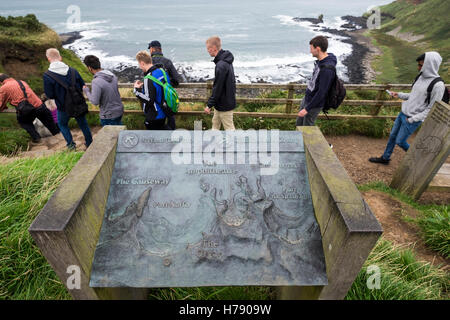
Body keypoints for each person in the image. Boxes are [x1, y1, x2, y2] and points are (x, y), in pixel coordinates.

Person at [369, 51, 445, 165]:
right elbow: (413, 96)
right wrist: (398, 94)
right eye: (418, 65)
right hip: (403, 113)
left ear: (430, 65)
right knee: (392, 136)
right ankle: (385, 158)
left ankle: (418, 160)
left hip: (412, 118)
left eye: (421, 65)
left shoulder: (438, 86)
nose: (418, 68)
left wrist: (412, 119)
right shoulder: (420, 77)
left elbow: (431, 108)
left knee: (400, 141)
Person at [43, 48, 93, 150]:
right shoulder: (73, 71)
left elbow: (50, 95)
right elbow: (82, 86)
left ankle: (71, 146)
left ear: (48, 59)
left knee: (62, 124)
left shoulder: (47, 76)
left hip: (62, 107)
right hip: (78, 104)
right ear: (60, 58)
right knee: (83, 124)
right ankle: (89, 143)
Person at [0, 73, 60, 142]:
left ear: (1, 82)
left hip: (25, 110)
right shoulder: (21, 82)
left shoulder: (3, 88)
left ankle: (37, 139)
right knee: (50, 122)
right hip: (39, 105)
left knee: (24, 123)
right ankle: (58, 136)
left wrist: (3, 107)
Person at [297, 35, 337, 126]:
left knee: (307, 127)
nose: (310, 51)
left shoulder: (327, 69)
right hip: (308, 98)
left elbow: (322, 93)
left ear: (318, 49)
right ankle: (298, 139)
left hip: (314, 104)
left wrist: (307, 108)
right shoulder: (323, 60)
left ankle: (306, 140)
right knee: (299, 123)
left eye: (311, 48)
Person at [204, 36, 236, 130]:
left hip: (224, 104)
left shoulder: (221, 65)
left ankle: (232, 145)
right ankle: (216, 143)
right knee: (215, 124)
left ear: (214, 48)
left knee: (229, 128)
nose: (207, 51)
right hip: (221, 103)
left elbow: (218, 87)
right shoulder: (225, 61)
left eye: (208, 49)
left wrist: (209, 105)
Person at [148, 40, 182, 130]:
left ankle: (156, 140)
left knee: (155, 122)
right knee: (170, 117)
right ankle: (171, 138)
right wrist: (166, 84)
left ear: (152, 49)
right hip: (166, 97)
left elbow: (145, 80)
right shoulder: (167, 62)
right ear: (160, 49)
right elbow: (177, 80)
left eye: (150, 49)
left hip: (153, 98)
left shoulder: (148, 62)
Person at [82, 55, 124, 126]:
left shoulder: (96, 81)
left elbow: (95, 102)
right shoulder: (112, 75)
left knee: (110, 136)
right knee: (119, 133)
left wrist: (87, 91)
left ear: (89, 68)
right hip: (119, 110)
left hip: (108, 115)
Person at [134, 50, 168, 130]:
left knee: (153, 139)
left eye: (139, 64)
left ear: (142, 63)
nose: (140, 67)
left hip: (154, 115)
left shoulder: (148, 78)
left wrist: (136, 90)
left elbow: (149, 100)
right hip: (164, 111)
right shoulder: (162, 72)